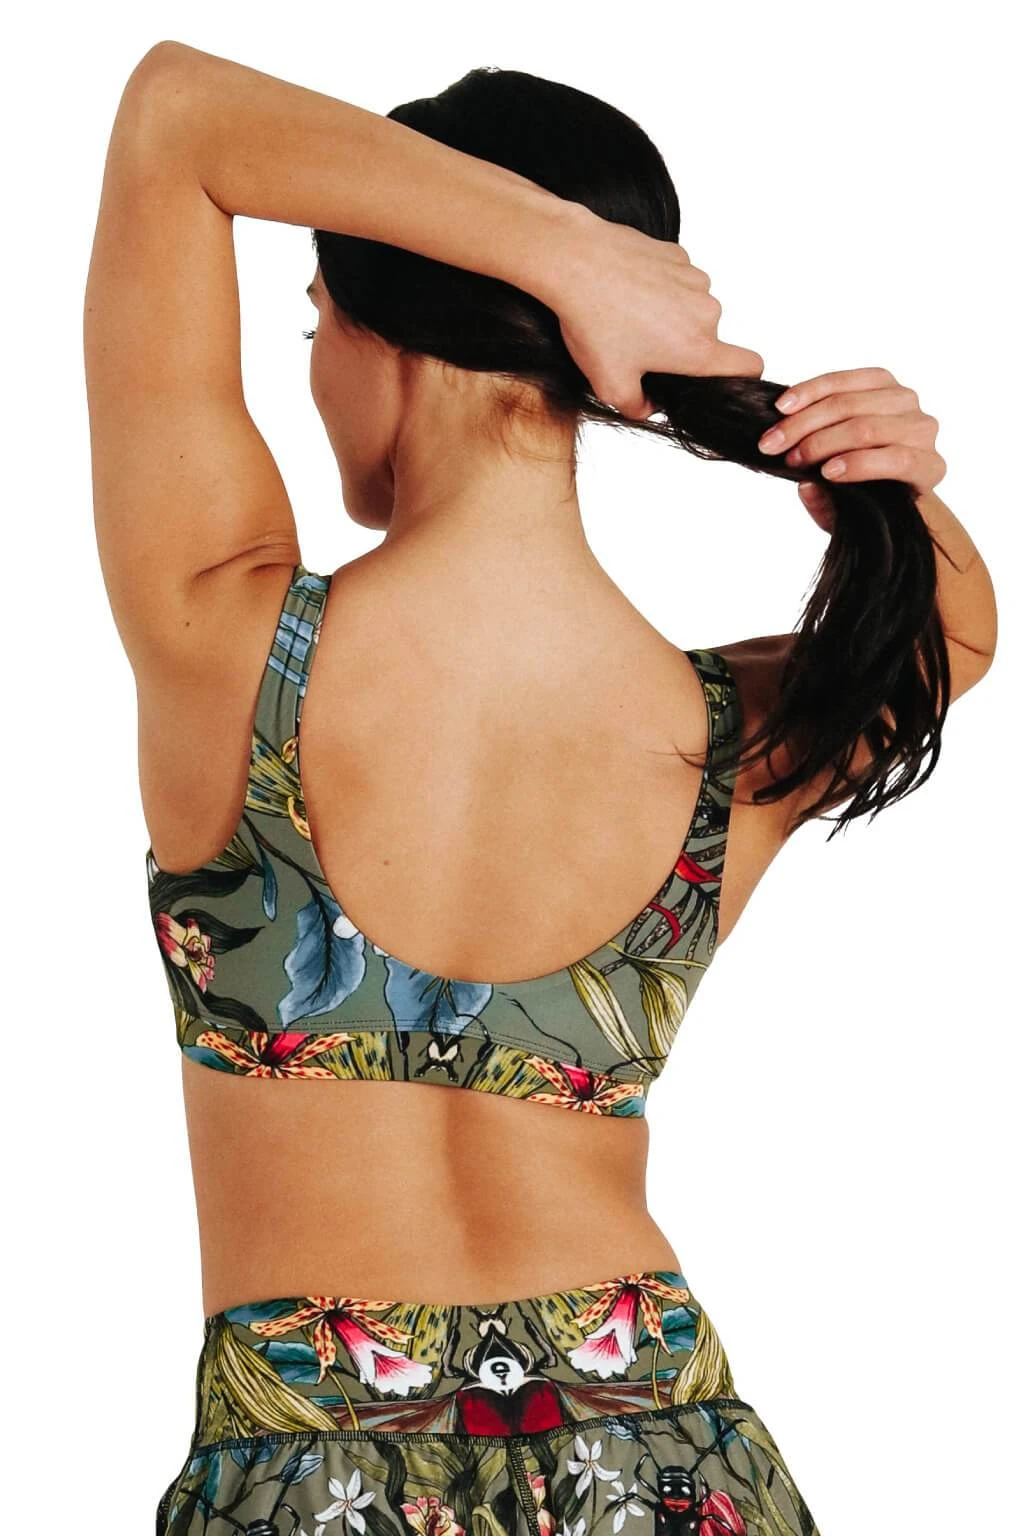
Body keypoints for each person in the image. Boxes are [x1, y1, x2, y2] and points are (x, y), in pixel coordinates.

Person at [83, 41, 997, 1536]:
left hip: (311, 1470)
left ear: (378, 331)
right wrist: (867, 477)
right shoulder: (724, 744)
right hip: (667, 1460)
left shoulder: (227, 649)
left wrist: (567, 263)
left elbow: (176, 119)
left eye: (315, 318)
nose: (314, 361)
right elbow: (954, 630)